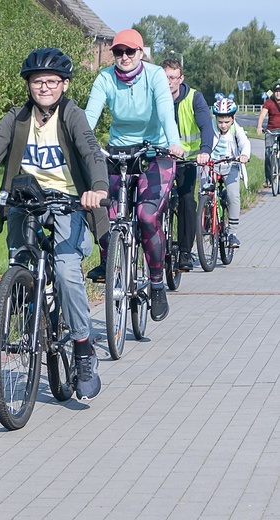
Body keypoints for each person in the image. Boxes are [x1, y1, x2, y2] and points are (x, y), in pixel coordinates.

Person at [0, 48, 109, 401]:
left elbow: (90, 152)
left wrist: (97, 190)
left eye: (51, 82)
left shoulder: (72, 116)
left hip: (68, 203)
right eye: (37, 81)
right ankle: (31, 308)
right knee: (18, 264)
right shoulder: (17, 117)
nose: (44, 87)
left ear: (64, 84)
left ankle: (84, 348)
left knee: (68, 269)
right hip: (25, 202)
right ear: (28, 85)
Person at [83, 28, 184, 322]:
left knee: (146, 216)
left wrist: (173, 142)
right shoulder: (105, 78)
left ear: (141, 53)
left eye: (130, 51)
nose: (124, 57)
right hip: (117, 151)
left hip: (156, 152)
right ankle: (108, 259)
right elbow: (89, 117)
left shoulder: (154, 76)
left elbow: (165, 111)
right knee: (103, 210)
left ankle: (155, 283)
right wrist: (80, 145)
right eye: (118, 52)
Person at [160, 59, 212, 271]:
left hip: (188, 160)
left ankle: (184, 252)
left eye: (173, 78)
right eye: (165, 78)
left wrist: (205, 150)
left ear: (181, 79)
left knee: (187, 200)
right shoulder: (155, 98)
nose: (169, 82)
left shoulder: (194, 98)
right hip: (162, 159)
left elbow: (206, 125)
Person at [208, 94, 250, 248]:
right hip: (212, 164)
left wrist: (244, 155)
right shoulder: (210, 126)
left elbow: (245, 143)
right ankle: (206, 216)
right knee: (204, 191)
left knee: (233, 195)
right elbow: (204, 141)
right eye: (220, 121)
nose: (223, 125)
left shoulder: (236, 129)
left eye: (226, 121)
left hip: (230, 165)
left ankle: (232, 233)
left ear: (233, 118)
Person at [256, 83, 280, 187]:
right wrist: (259, 126)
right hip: (271, 130)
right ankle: (268, 180)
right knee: (268, 154)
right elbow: (262, 115)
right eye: (276, 91)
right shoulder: (269, 103)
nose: (278, 93)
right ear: (274, 93)